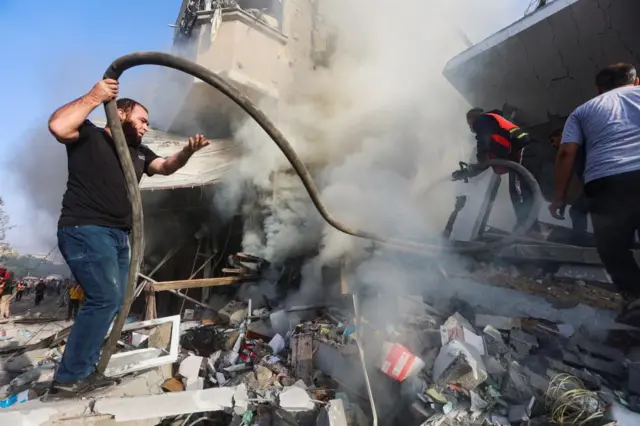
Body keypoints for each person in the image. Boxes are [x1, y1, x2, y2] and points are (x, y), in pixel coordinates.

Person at [47, 78, 210, 393]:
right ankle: (68, 379)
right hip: (86, 229)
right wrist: (95, 96)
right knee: (104, 298)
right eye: (142, 120)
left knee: (116, 302)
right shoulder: (89, 136)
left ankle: (86, 369)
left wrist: (187, 152)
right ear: (120, 114)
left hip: (118, 236)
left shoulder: (138, 152)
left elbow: (164, 167)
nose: (147, 127)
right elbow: (57, 125)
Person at [550, 62, 640, 322]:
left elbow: (566, 152)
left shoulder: (583, 110)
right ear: (634, 81)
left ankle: (635, 297)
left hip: (607, 183)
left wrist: (559, 197)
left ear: (599, 88)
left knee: (613, 247)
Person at [465, 108, 537, 230]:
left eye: (469, 123)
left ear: (473, 119)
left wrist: (480, 159)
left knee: (517, 189)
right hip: (523, 153)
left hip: (522, 151)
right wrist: (469, 171)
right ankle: (529, 226)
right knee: (519, 190)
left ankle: (527, 227)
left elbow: (484, 150)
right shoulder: (491, 125)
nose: (470, 127)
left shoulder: (482, 121)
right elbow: (486, 161)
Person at [549, 129, 590, 243]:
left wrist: (559, 199)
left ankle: (580, 241)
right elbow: (567, 176)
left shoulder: (575, 149)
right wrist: (562, 199)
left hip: (599, 184)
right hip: (593, 186)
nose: (553, 145)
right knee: (577, 210)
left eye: (554, 140)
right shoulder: (576, 153)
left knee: (577, 211)